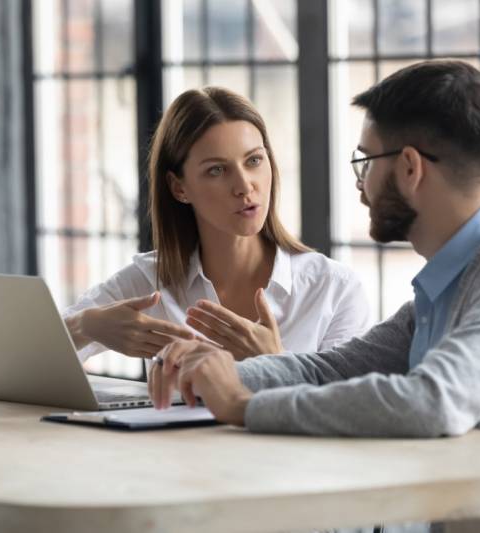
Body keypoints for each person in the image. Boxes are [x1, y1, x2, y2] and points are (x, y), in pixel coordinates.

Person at [149, 61, 480, 533]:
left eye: (365, 162)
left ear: (409, 167)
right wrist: (214, 372)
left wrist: (244, 406)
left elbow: (432, 402)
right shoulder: (457, 281)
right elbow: (330, 369)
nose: (360, 183)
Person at [63, 86, 372, 365]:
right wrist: (86, 326)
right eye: (217, 170)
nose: (244, 186)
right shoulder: (151, 283)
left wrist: (273, 361)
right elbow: (22, 356)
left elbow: (345, 407)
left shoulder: (333, 289)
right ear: (179, 188)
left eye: (253, 161)